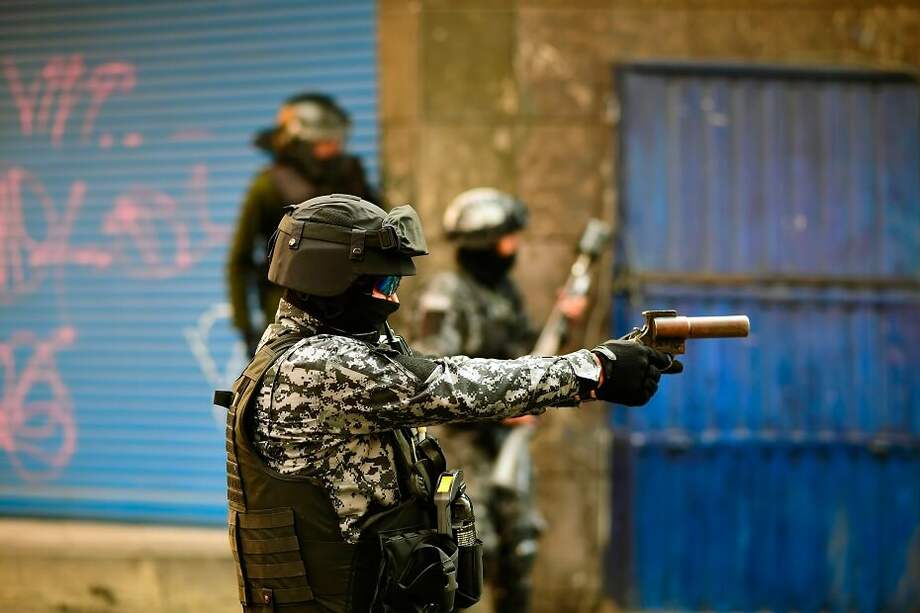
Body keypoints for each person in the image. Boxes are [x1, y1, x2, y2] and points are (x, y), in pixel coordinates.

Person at [215, 193, 680, 613]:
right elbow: (446, 383)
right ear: (331, 279)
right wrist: (592, 370)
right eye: (383, 283)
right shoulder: (319, 364)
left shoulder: (323, 346)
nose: (392, 298)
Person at [410, 188, 582, 613]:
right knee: (468, 551)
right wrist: (499, 415)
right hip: (462, 445)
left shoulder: (503, 291)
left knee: (520, 547)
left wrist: (565, 323)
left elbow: (527, 356)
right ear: (485, 243)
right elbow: (430, 381)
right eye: (508, 238)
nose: (515, 247)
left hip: (506, 446)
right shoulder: (447, 296)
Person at [227, 92, 380, 355]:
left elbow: (380, 237)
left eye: (336, 141)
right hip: (290, 319)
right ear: (302, 143)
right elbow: (239, 262)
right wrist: (245, 327)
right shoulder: (268, 186)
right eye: (324, 143)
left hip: (353, 316)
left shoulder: (351, 176)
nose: (333, 149)